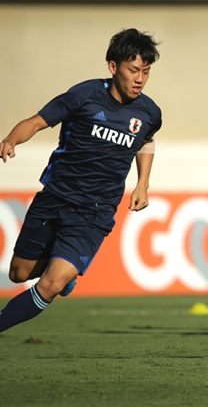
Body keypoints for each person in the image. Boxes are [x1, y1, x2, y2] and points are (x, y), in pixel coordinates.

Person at [0, 28, 162, 333]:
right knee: (19, 273)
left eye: (146, 71)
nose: (140, 79)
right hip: (55, 198)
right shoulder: (84, 95)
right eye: (133, 70)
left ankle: (62, 273)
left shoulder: (150, 112)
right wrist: (11, 139)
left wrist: (143, 183)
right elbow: (37, 121)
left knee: (50, 284)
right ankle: (65, 269)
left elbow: (146, 140)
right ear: (113, 67)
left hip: (95, 213)